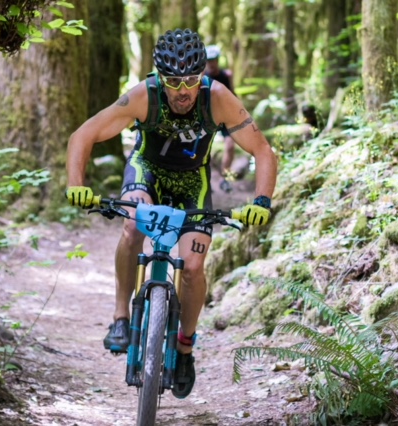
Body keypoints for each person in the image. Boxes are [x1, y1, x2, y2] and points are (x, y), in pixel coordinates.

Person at [65, 28, 277, 399]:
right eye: (173, 80)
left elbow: (262, 150)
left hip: (193, 180)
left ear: (203, 76)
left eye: (192, 80)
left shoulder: (218, 98)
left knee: (193, 268)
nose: (183, 90)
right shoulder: (143, 95)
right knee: (133, 226)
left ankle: (185, 347)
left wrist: (261, 201)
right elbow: (82, 135)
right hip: (147, 171)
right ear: (159, 76)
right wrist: (75, 183)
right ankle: (120, 316)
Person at [204, 45, 238, 192]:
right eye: (208, 60)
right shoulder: (202, 77)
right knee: (202, 150)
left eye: (213, 60)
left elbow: (233, 95)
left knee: (230, 147)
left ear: (218, 60)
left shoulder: (226, 76)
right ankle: (204, 182)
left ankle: (225, 179)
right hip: (207, 117)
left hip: (224, 117)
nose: (211, 63)